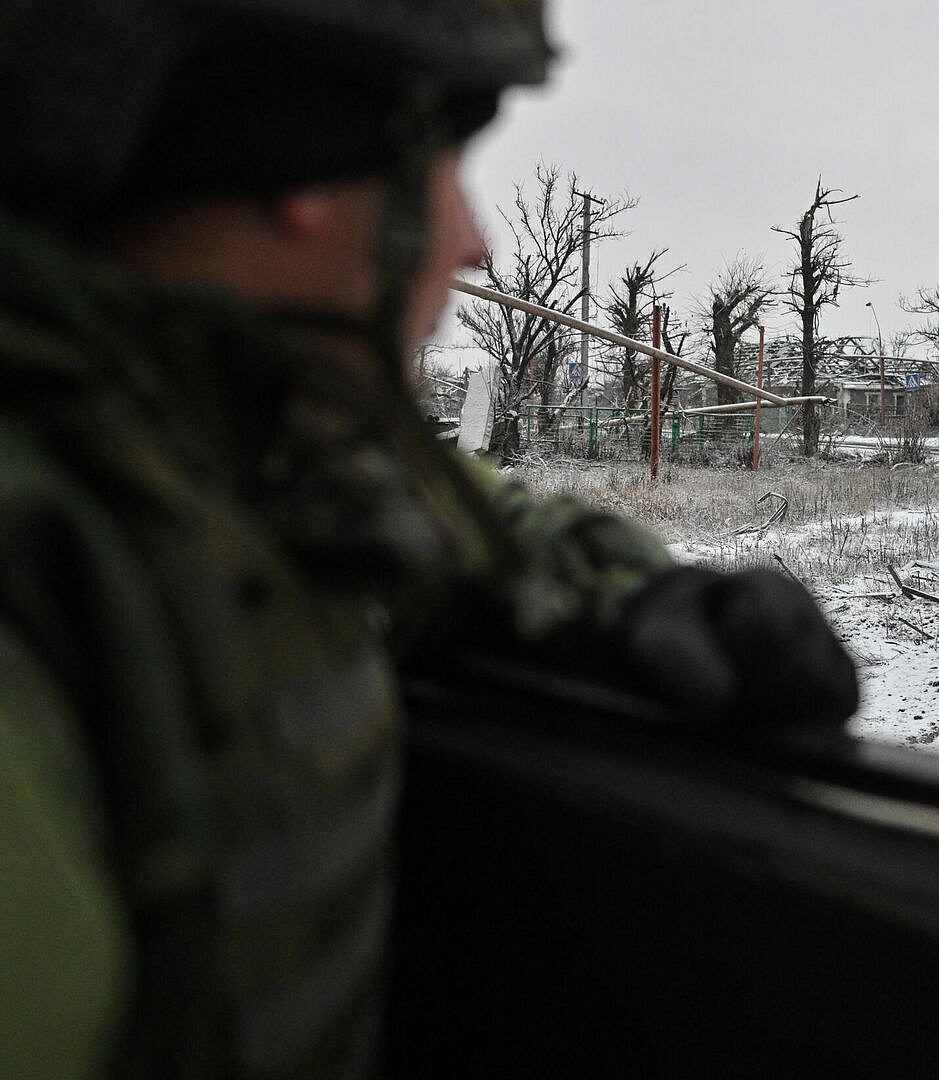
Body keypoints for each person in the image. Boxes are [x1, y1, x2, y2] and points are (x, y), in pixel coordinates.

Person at [0, 2, 857, 1077]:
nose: (476, 241)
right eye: (448, 165)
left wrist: (629, 598)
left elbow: (438, 508)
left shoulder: (223, 435)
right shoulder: (51, 559)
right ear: (296, 173)